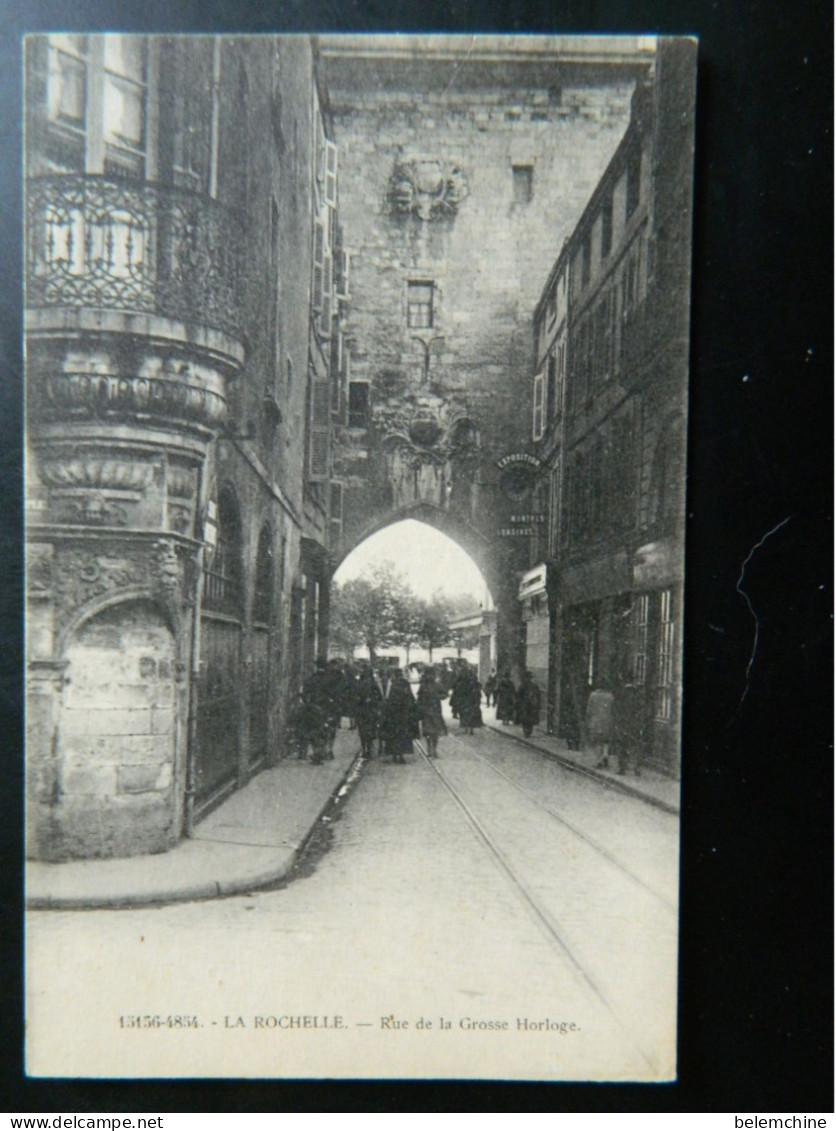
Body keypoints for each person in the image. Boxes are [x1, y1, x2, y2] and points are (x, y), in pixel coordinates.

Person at [379, 668, 418, 763]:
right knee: (402, 734)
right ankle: (401, 754)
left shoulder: (391, 685)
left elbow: (387, 700)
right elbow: (411, 699)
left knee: (393, 735)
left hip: (393, 714)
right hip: (404, 714)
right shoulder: (405, 684)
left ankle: (394, 754)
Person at [300, 659, 333, 765]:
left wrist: (308, 704)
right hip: (326, 708)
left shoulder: (310, 679)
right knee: (325, 730)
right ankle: (322, 752)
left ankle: (316, 752)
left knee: (313, 730)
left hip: (313, 708)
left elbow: (305, 695)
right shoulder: (329, 679)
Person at [612, 673, 645, 776]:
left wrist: (616, 721)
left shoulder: (621, 693)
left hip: (623, 723)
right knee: (635, 746)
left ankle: (622, 768)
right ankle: (636, 768)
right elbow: (641, 708)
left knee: (622, 745)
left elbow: (615, 708)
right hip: (634, 723)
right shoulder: (638, 694)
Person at [416, 666, 448, 758]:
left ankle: (433, 749)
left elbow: (445, 694)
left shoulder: (437, 685)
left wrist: (438, 696)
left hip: (435, 711)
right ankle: (430, 748)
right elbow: (419, 698)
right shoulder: (423, 686)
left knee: (434, 732)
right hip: (427, 711)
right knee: (429, 732)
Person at [354, 663, 382, 759]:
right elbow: (379, 698)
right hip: (370, 711)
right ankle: (368, 748)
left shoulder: (359, 684)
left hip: (362, 711)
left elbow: (354, 697)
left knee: (362, 731)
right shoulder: (373, 684)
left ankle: (365, 748)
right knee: (370, 730)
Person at [585, 680, 615, 769]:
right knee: (606, 740)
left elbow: (588, 710)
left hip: (595, 721)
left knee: (597, 741)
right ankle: (605, 755)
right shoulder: (610, 697)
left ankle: (599, 760)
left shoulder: (593, 695)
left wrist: (588, 720)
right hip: (607, 721)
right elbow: (613, 710)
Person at [515, 670, 541, 738]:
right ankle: (526, 731)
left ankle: (529, 731)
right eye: (527, 678)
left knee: (530, 719)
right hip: (524, 705)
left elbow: (538, 695)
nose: (528, 679)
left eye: (529, 678)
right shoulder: (522, 686)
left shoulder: (534, 686)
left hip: (531, 705)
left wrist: (537, 703)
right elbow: (518, 695)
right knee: (525, 719)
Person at [457, 666, 483, 735]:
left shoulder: (472, 685)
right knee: (469, 715)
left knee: (469, 715)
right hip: (470, 702)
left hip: (471, 702)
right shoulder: (469, 685)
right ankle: (468, 729)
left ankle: (469, 729)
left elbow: (478, 694)